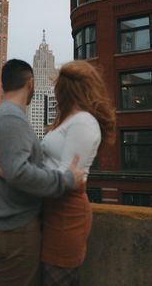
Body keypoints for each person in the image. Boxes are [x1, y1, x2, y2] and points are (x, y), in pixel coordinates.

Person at [0, 59, 85, 286]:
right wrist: (66, 179)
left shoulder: (7, 116)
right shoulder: (11, 118)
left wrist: (14, 170)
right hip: (16, 232)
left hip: (11, 228)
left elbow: (13, 170)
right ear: (30, 83)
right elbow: (18, 172)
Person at [41, 60, 116, 286]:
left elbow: (67, 176)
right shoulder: (69, 120)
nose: (56, 92)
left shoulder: (83, 122)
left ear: (67, 88)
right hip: (53, 211)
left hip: (66, 214)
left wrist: (21, 177)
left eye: (59, 86)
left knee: (58, 278)